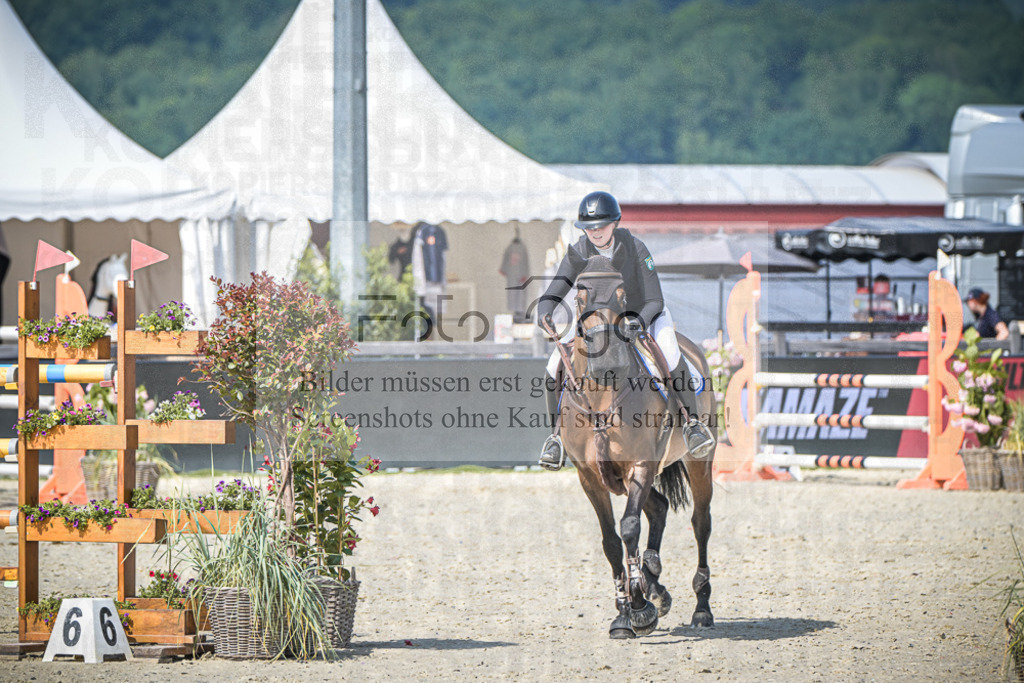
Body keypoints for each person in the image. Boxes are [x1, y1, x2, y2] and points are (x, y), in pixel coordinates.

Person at [535, 191, 715, 470]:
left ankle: (692, 425)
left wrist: (638, 322)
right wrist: (544, 312)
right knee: (552, 366)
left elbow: (655, 299)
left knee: (671, 353)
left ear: (615, 223)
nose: (595, 232)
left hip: (644, 316)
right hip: (595, 325)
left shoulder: (635, 248)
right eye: (589, 227)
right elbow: (552, 293)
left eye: (601, 226)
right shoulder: (579, 252)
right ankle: (555, 437)